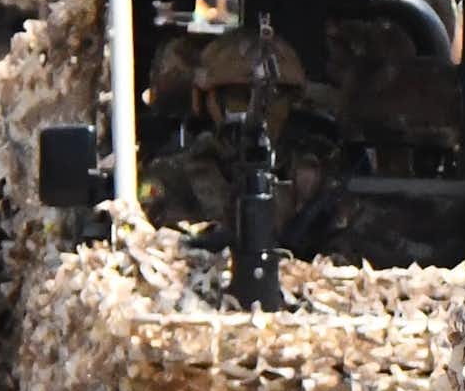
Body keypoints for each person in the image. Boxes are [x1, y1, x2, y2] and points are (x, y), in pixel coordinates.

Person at [141, 31, 349, 246]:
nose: (261, 108)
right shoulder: (172, 175)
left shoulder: (316, 175)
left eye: (277, 95)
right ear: (208, 100)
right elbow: (161, 243)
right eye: (240, 95)